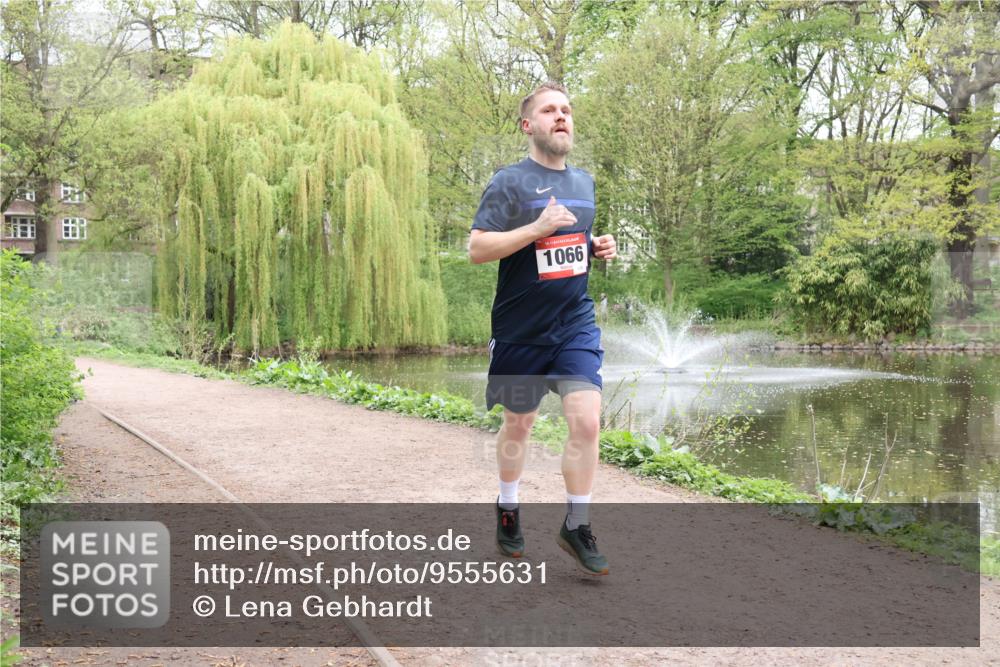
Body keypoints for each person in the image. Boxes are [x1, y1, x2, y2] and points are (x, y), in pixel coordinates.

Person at [468, 81, 617, 576]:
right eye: (550, 110)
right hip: (519, 328)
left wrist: (595, 245)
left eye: (568, 110)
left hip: (573, 322)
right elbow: (478, 249)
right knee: (519, 424)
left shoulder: (586, 182)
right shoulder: (508, 182)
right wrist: (536, 229)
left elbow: (570, 237)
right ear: (527, 124)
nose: (562, 117)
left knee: (587, 421)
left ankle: (577, 523)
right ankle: (508, 506)